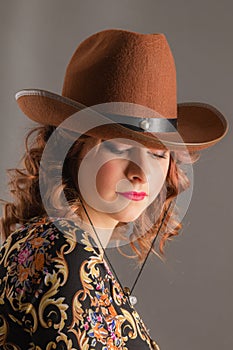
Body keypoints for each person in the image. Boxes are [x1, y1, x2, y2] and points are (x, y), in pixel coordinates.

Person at [0, 29, 228, 350]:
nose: (141, 173)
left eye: (158, 154)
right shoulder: (68, 265)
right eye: (119, 148)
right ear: (71, 150)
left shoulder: (45, 239)